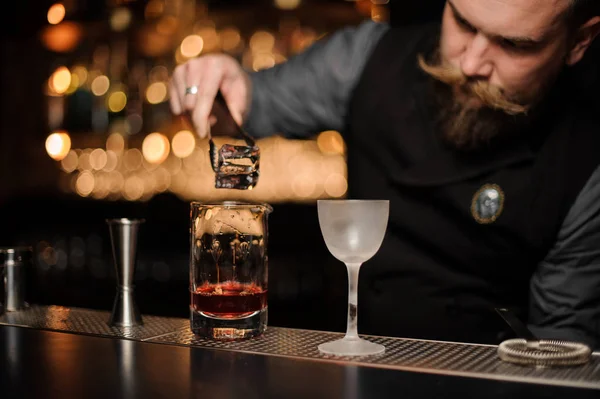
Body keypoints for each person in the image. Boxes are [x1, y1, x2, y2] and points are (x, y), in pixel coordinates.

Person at [170, 0, 600, 348]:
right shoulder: (365, 57)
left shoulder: (585, 165)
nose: (470, 63)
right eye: (463, 23)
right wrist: (224, 86)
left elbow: (560, 350)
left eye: (513, 45)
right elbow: (254, 101)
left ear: (579, 41)